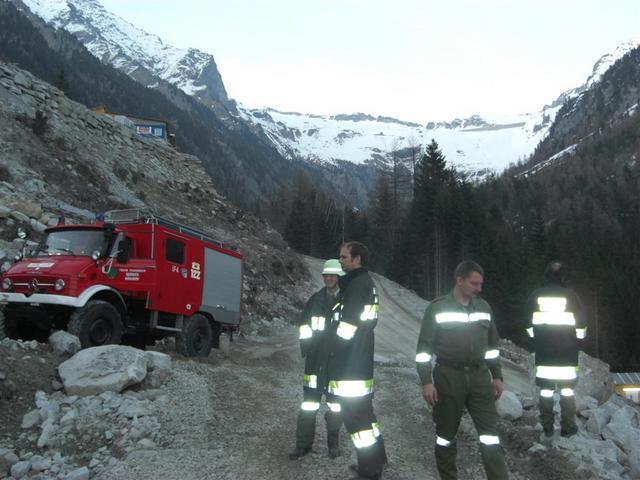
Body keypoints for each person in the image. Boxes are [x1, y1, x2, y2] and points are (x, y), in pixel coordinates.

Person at [416, 260, 509, 480]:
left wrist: (496, 376)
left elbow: (492, 347)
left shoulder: (484, 308)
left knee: (490, 436)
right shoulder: (438, 307)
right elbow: (423, 349)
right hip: (448, 377)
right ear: (459, 281)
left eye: (480, 284)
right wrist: (426, 381)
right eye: (474, 283)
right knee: (446, 436)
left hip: (479, 377)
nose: (479, 288)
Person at [329, 241, 387, 480]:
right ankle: (378, 458)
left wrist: (334, 350)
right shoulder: (364, 283)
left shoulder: (356, 285)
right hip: (359, 359)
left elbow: (348, 326)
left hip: (351, 364)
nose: (340, 260)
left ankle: (369, 471)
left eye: (344, 257)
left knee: (355, 419)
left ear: (357, 260)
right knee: (366, 416)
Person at [289, 259, 345, 460]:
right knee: (308, 405)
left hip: (337, 364)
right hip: (315, 362)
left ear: (339, 277)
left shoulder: (347, 301)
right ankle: (302, 446)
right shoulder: (315, 300)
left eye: (332, 275)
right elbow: (304, 327)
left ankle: (333, 443)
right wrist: (308, 350)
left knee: (335, 406)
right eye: (326, 275)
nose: (329, 278)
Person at [525, 261, 586, 438]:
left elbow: (527, 323)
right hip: (567, 353)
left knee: (545, 390)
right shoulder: (571, 296)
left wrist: (536, 339)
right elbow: (582, 324)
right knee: (567, 390)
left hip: (545, 353)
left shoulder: (536, 296)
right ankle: (568, 427)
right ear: (563, 277)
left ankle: (547, 427)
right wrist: (578, 342)